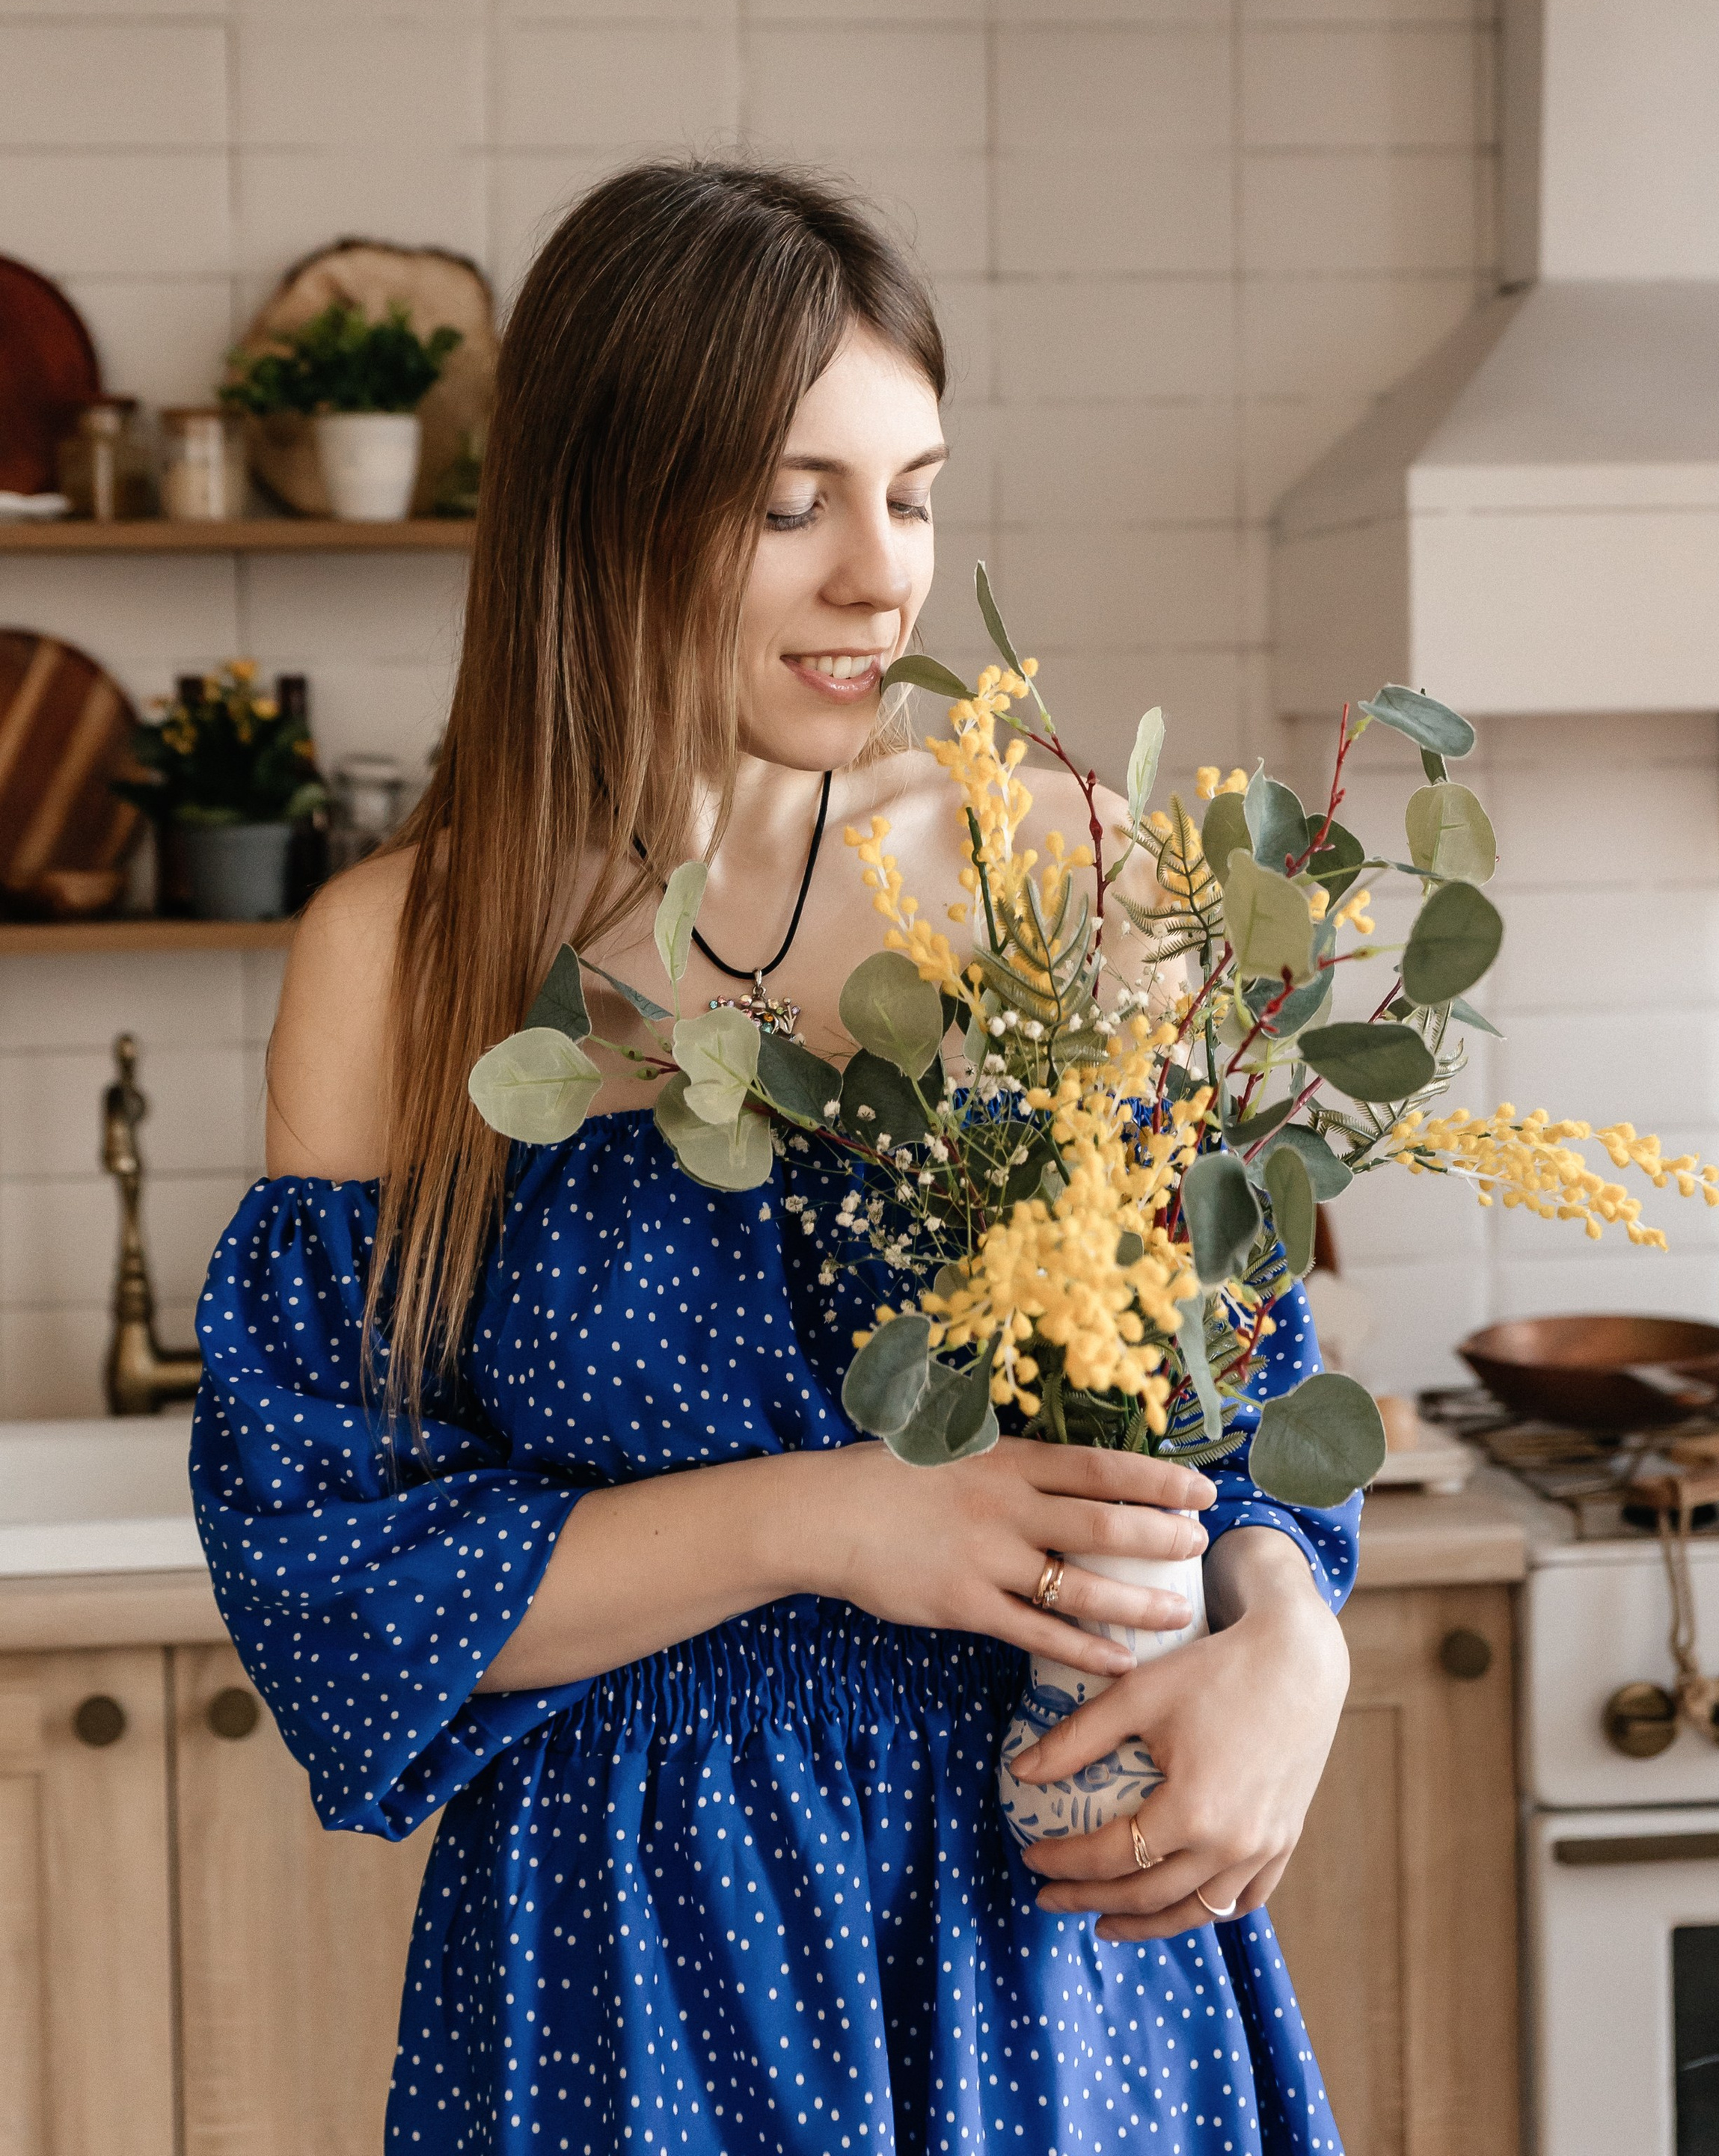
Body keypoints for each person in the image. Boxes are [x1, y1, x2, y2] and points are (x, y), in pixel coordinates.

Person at [191, 159, 1358, 2156]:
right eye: (787, 499)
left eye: (911, 494)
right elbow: (337, 1570)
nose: (878, 578)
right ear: (600, 506)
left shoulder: (1059, 872)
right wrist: (835, 1516)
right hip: (627, 1970)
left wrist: (1295, 1644)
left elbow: (1234, 1415)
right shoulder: (406, 956)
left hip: (1053, 1927)